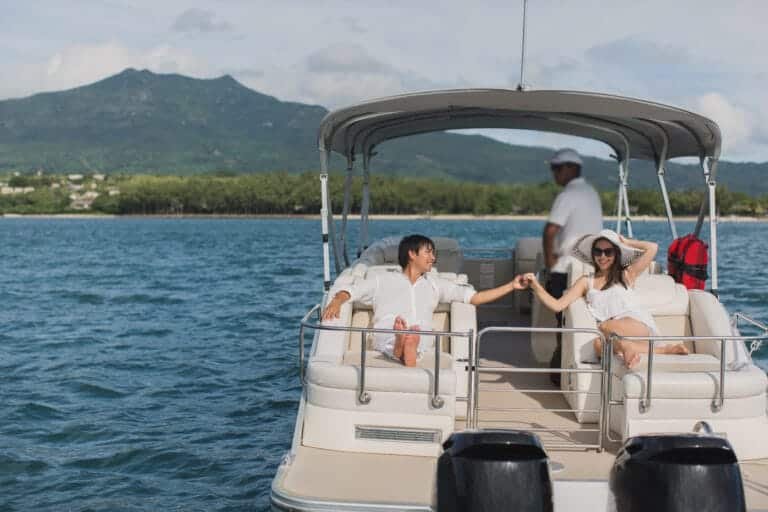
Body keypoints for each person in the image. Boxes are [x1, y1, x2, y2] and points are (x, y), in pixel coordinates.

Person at [322, 234, 527, 367]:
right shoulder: (381, 280)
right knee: (396, 334)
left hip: (421, 335)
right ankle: (402, 343)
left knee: (416, 335)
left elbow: (475, 297)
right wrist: (337, 301)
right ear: (412, 254)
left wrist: (511, 286)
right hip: (387, 332)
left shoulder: (436, 284)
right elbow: (351, 290)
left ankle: (404, 344)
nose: (433, 258)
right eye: (428, 252)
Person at [524, 229, 689, 369]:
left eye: (608, 251)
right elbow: (557, 305)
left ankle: (626, 345)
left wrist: (626, 242)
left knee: (603, 325)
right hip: (612, 335)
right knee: (597, 345)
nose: (602, 256)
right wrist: (536, 286)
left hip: (636, 325)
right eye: (598, 251)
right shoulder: (585, 282)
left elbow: (652, 248)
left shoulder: (626, 274)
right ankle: (662, 350)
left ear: (616, 254)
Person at [542, 148, 603, 383]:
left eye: (557, 168)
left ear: (571, 168)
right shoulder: (591, 193)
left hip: (566, 270)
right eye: (553, 169)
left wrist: (549, 265)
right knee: (581, 320)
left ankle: (560, 370)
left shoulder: (569, 194)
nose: (554, 174)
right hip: (590, 269)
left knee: (562, 318)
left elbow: (550, 231)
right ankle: (571, 368)